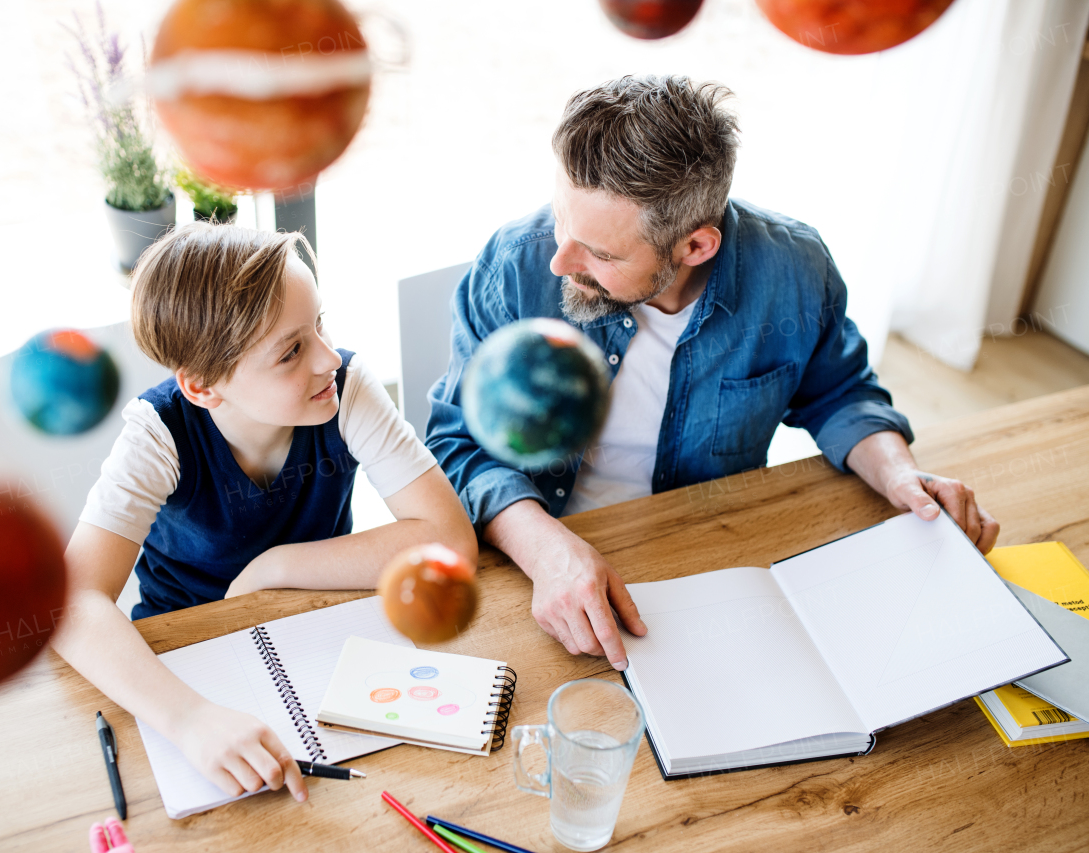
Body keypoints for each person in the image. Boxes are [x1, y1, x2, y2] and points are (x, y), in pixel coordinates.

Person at [426, 74, 998, 674]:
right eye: (562, 224)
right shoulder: (515, 265)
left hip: (712, 554)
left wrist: (901, 475)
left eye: (601, 253)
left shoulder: (795, 271)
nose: (559, 261)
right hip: (541, 556)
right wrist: (548, 555)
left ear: (695, 247)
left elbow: (840, 392)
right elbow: (457, 441)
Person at [53, 223, 476, 804]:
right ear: (202, 388)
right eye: (292, 350)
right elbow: (71, 603)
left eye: (320, 324)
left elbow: (450, 545)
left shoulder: (343, 388)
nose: (329, 357)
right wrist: (189, 720)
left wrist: (275, 566)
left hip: (314, 632)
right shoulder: (159, 434)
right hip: (186, 661)